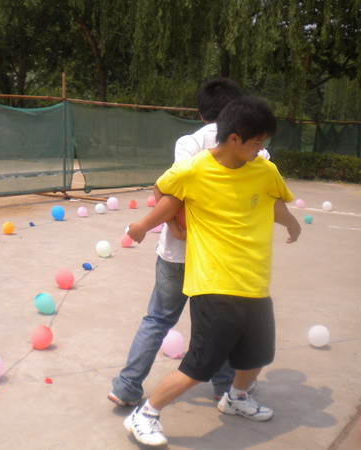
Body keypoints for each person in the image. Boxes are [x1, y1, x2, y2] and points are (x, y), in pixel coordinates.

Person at [123, 96, 301, 446]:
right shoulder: (194, 170)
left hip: (254, 280)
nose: (261, 149)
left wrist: (292, 223)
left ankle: (235, 398)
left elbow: (274, 202)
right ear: (234, 139)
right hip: (213, 281)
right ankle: (145, 414)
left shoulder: (264, 171)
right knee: (201, 364)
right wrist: (147, 225)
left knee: (259, 354)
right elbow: (167, 194)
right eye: (257, 143)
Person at [109, 78, 276, 407]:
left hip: (176, 254)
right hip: (222, 261)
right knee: (226, 324)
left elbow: (172, 192)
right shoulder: (254, 149)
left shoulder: (188, 143)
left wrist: (173, 227)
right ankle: (224, 386)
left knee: (158, 319)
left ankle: (127, 386)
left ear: (201, 114)